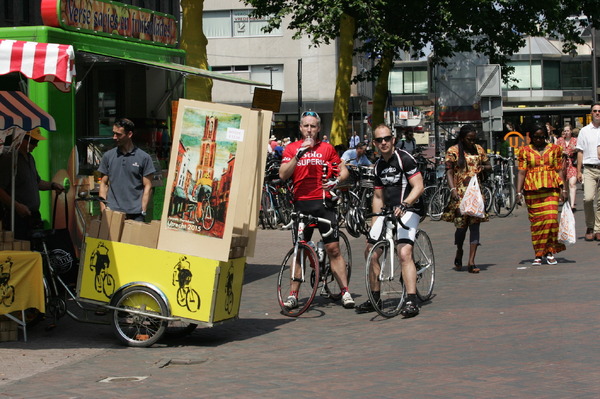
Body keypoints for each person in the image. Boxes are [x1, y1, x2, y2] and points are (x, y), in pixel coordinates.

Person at [279, 110, 354, 309]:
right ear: (300, 128)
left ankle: (345, 291)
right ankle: (293, 294)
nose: (310, 130)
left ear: (319, 128)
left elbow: (343, 169)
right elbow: (283, 174)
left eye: (313, 126)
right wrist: (298, 155)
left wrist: (337, 180)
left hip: (324, 204)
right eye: (306, 126)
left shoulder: (327, 149)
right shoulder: (291, 149)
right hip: (301, 204)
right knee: (299, 250)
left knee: (333, 249)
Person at [355, 124, 424, 316]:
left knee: (404, 252)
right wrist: (374, 224)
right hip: (389, 211)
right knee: (371, 250)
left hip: (410, 208)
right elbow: (378, 198)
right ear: (375, 143)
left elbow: (418, 186)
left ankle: (411, 300)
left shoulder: (404, 159)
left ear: (393, 139)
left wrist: (405, 204)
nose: (383, 142)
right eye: (379, 140)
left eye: (386, 138)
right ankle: (375, 298)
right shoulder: (378, 166)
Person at [441, 124, 491, 273]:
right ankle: (459, 249)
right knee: (461, 228)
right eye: (469, 139)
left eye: (474, 139)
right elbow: (449, 172)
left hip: (475, 193)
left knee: (475, 225)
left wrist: (483, 167)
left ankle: (471, 262)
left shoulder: (479, 149)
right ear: (462, 138)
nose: (472, 142)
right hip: (460, 193)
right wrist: (452, 190)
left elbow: (489, 166)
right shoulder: (453, 151)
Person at [516, 123, 567, 265]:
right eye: (536, 137)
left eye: (542, 137)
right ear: (531, 137)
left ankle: (550, 250)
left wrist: (564, 189)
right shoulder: (524, 151)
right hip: (532, 190)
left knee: (551, 219)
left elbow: (559, 170)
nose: (539, 140)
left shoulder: (555, 149)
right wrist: (518, 191)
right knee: (537, 223)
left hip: (551, 187)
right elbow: (521, 172)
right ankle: (539, 253)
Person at [0, 129, 64, 240]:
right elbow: (0, 189)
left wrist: (53, 185)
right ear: (21, 139)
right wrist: (17, 206)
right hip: (17, 217)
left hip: (32, 216)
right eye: (33, 141)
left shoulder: (30, 158)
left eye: (37, 142)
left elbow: (37, 182)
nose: (36, 145)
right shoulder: (9, 159)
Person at [98, 118, 156, 222]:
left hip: (136, 214)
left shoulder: (144, 158)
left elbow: (147, 186)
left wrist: (143, 210)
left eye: (118, 134)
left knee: (136, 239)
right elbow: (103, 183)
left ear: (129, 134)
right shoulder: (108, 156)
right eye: (114, 133)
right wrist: (103, 209)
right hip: (113, 212)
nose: (114, 137)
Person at [575, 103, 600, 241]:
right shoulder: (584, 131)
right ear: (591, 113)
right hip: (589, 169)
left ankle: (598, 228)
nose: (597, 113)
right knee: (588, 198)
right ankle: (590, 225)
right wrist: (579, 171)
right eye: (595, 111)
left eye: (599, 111)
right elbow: (580, 151)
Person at [556, 124, 578, 210]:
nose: (566, 132)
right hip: (562, 165)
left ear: (571, 131)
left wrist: (575, 149)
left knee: (572, 184)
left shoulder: (575, 140)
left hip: (572, 165)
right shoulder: (560, 140)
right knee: (564, 185)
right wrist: (562, 152)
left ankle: (572, 205)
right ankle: (566, 201)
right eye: (565, 131)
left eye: (568, 130)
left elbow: (580, 150)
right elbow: (556, 151)